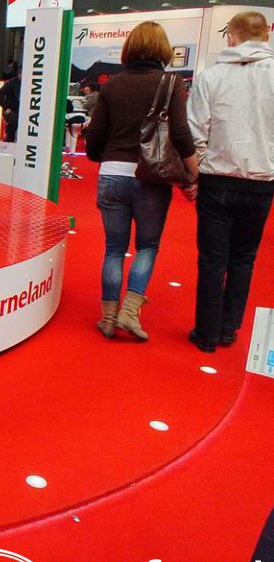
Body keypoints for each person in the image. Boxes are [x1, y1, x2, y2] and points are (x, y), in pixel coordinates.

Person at [84, 21, 198, 341]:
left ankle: (108, 318)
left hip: (112, 172)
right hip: (151, 176)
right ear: (163, 49)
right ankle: (130, 313)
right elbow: (180, 134)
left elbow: (95, 135)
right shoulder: (171, 83)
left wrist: (103, 156)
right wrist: (192, 174)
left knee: (114, 248)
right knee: (147, 245)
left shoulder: (112, 85)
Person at [186, 11, 274, 353]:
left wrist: (196, 174)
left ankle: (206, 333)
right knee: (244, 257)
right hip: (261, 181)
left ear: (232, 37)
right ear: (266, 36)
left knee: (212, 259)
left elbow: (196, 131)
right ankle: (227, 328)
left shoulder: (211, 77)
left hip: (216, 180)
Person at [0, 68, 22, 142]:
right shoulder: (12, 83)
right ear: (19, 74)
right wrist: (6, 106)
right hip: (11, 108)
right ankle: (9, 141)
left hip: (20, 109)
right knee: (13, 123)